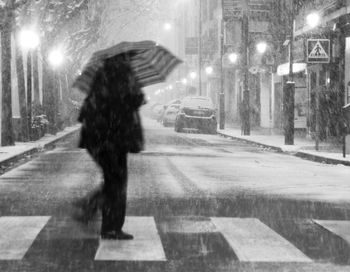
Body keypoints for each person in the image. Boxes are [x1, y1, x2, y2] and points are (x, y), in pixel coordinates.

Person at [73, 54, 145, 240]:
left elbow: (103, 105)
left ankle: (105, 221)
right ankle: (105, 221)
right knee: (117, 183)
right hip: (111, 139)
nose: (131, 62)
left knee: (114, 181)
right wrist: (137, 96)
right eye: (129, 59)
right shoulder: (121, 77)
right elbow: (124, 104)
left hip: (99, 138)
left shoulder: (104, 75)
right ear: (122, 61)